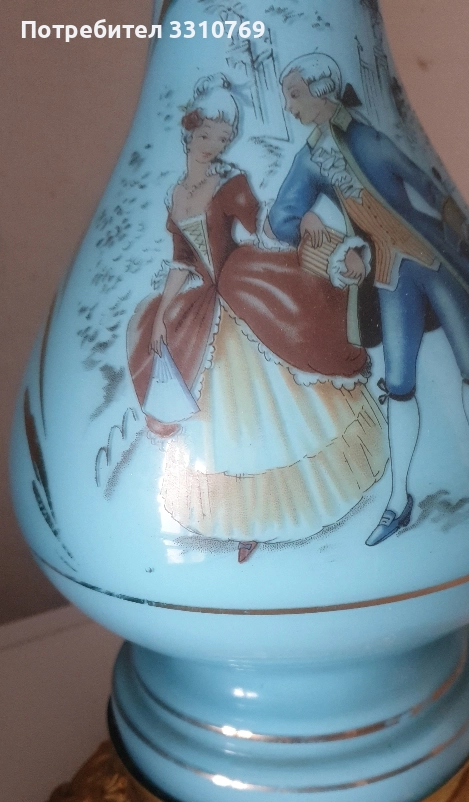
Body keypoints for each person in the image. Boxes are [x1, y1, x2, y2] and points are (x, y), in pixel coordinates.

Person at [127, 75, 387, 563]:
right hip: (205, 300)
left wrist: (308, 222)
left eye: (224, 138)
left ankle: (298, 506)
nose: (214, 145)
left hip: (244, 286)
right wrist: (162, 313)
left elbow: (264, 228)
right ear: (190, 132)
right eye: (207, 135)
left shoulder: (230, 183)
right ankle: (244, 521)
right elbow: (182, 261)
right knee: (223, 420)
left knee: (280, 400)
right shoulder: (176, 196)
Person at [267, 53, 469, 547]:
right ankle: (398, 500)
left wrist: (460, 231)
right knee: (398, 384)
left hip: (433, 260)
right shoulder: (311, 159)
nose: (289, 105)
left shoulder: (370, 138)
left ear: (322, 92)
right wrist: (321, 231)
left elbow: (426, 186)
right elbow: (279, 219)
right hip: (388, 276)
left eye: (295, 94)